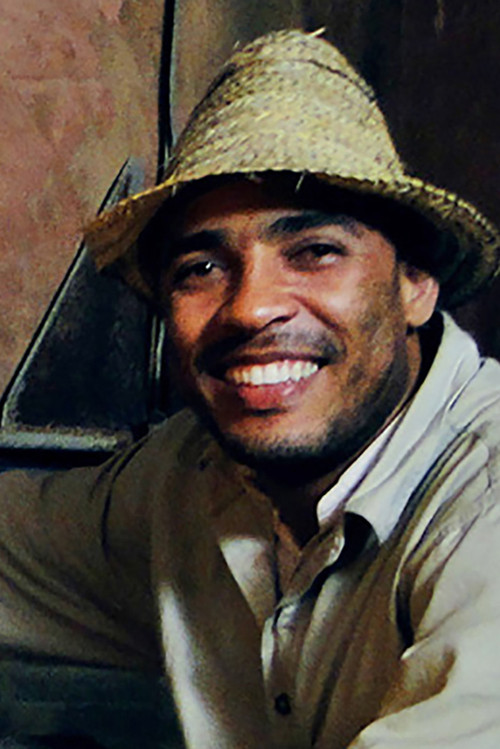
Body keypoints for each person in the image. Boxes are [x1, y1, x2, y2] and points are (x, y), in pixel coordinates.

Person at [1, 28, 500, 749]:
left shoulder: (483, 496)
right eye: (200, 269)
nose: (250, 307)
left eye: (315, 251)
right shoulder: (190, 475)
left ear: (416, 285)